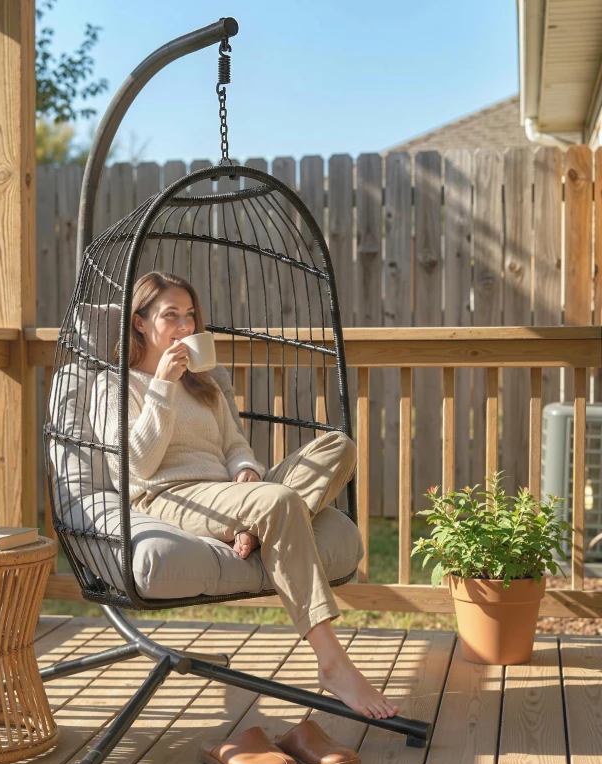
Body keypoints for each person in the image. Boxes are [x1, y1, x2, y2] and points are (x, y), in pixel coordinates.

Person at [91, 271, 399, 721]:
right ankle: (333, 662)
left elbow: (234, 444)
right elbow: (136, 465)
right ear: (139, 322)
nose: (184, 327)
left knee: (338, 447)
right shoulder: (115, 385)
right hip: (172, 495)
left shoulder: (204, 380)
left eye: (190, 315)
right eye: (170, 315)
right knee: (277, 503)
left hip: (229, 492)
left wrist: (247, 471)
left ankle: (254, 527)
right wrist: (161, 386)